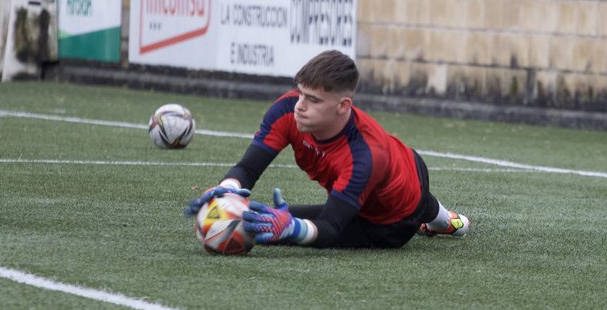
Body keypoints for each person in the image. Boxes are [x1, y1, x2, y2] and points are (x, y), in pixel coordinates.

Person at [184, 50, 469, 249]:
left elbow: (330, 227)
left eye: (313, 100)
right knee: (259, 219)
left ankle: (439, 219)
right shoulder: (288, 109)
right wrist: (227, 188)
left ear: (344, 106)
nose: (300, 106)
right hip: (403, 166)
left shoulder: (365, 156)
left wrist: (292, 229)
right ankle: (447, 221)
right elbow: (247, 168)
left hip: (391, 222)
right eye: (300, 93)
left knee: (258, 225)